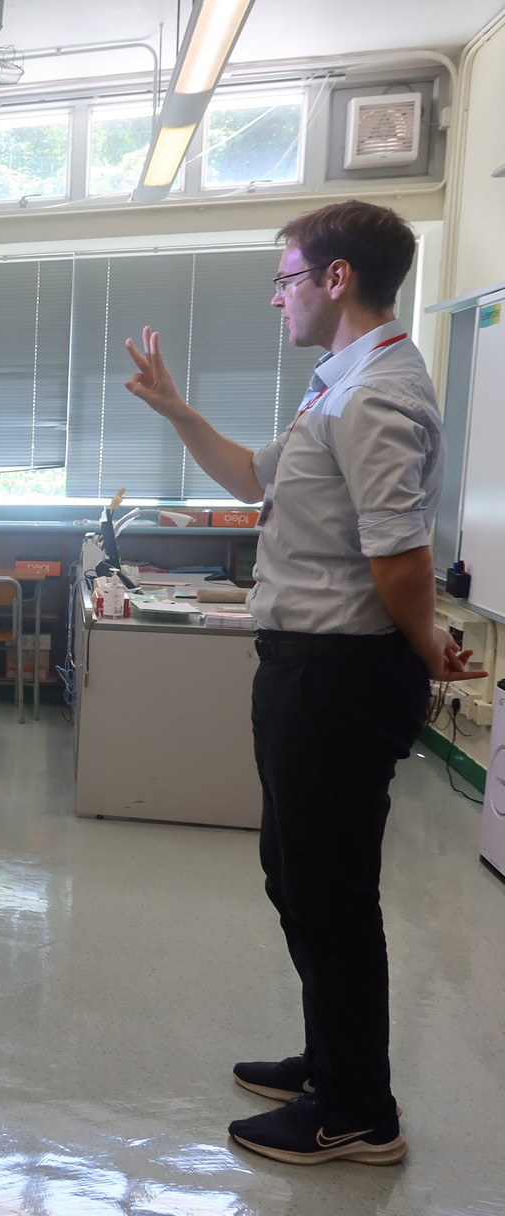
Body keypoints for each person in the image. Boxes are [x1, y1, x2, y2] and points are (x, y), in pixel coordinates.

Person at [123, 199, 486, 1167]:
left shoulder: (376, 396)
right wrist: (176, 410)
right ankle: (332, 1064)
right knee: (299, 879)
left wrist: (426, 642)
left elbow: (401, 556)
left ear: (336, 278)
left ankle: (360, 1111)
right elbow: (254, 477)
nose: (276, 296)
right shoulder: (340, 387)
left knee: (331, 894)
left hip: (339, 675)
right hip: (310, 668)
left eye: (286, 278)